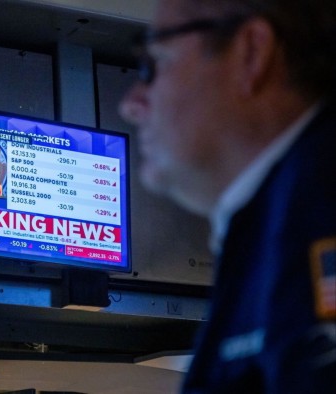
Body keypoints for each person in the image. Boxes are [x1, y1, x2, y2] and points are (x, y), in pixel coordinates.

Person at [118, 0, 335, 393]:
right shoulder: (271, 223)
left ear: (251, 52)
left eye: (153, 66)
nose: (131, 104)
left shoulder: (316, 210)